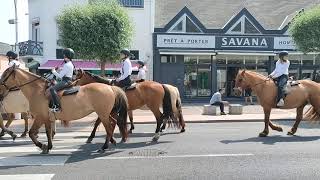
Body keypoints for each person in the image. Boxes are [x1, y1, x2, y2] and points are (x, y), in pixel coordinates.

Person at [50, 48, 75, 112]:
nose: (63, 57)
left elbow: (60, 76)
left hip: (66, 81)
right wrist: (58, 71)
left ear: (66, 56)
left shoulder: (66, 65)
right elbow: (64, 73)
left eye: (64, 55)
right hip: (67, 80)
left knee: (52, 89)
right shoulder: (70, 64)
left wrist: (53, 71)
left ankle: (57, 107)